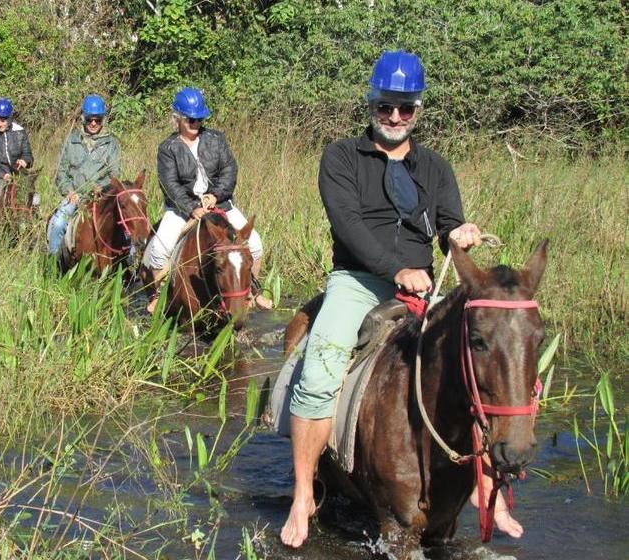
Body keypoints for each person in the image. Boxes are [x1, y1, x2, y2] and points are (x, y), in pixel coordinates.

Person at [280, 51, 521, 548]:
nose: (394, 117)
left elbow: (449, 225)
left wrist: (459, 234)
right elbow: (348, 224)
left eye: (404, 108)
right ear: (371, 104)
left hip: (425, 283)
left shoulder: (435, 167)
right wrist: (396, 270)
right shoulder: (341, 158)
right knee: (320, 369)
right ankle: (303, 494)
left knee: (478, 362)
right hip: (356, 280)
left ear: (417, 109)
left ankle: (487, 487)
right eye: (385, 106)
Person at [142, 87, 272, 312]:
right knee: (160, 250)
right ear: (178, 119)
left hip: (220, 204)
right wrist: (192, 207)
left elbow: (229, 170)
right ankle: (159, 295)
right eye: (191, 119)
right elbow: (169, 184)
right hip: (182, 209)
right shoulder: (167, 148)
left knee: (255, 243)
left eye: (200, 119)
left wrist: (216, 195)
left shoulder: (216, 139)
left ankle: (250, 291)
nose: (196, 123)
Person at [47, 94, 120, 255]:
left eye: (97, 120)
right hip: (75, 196)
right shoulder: (71, 140)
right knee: (58, 224)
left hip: (100, 198)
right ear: (83, 118)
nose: (93, 123)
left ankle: (129, 263)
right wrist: (69, 191)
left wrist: (102, 188)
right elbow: (60, 171)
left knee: (124, 228)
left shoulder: (111, 143)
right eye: (89, 119)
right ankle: (53, 261)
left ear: (103, 119)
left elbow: (114, 174)